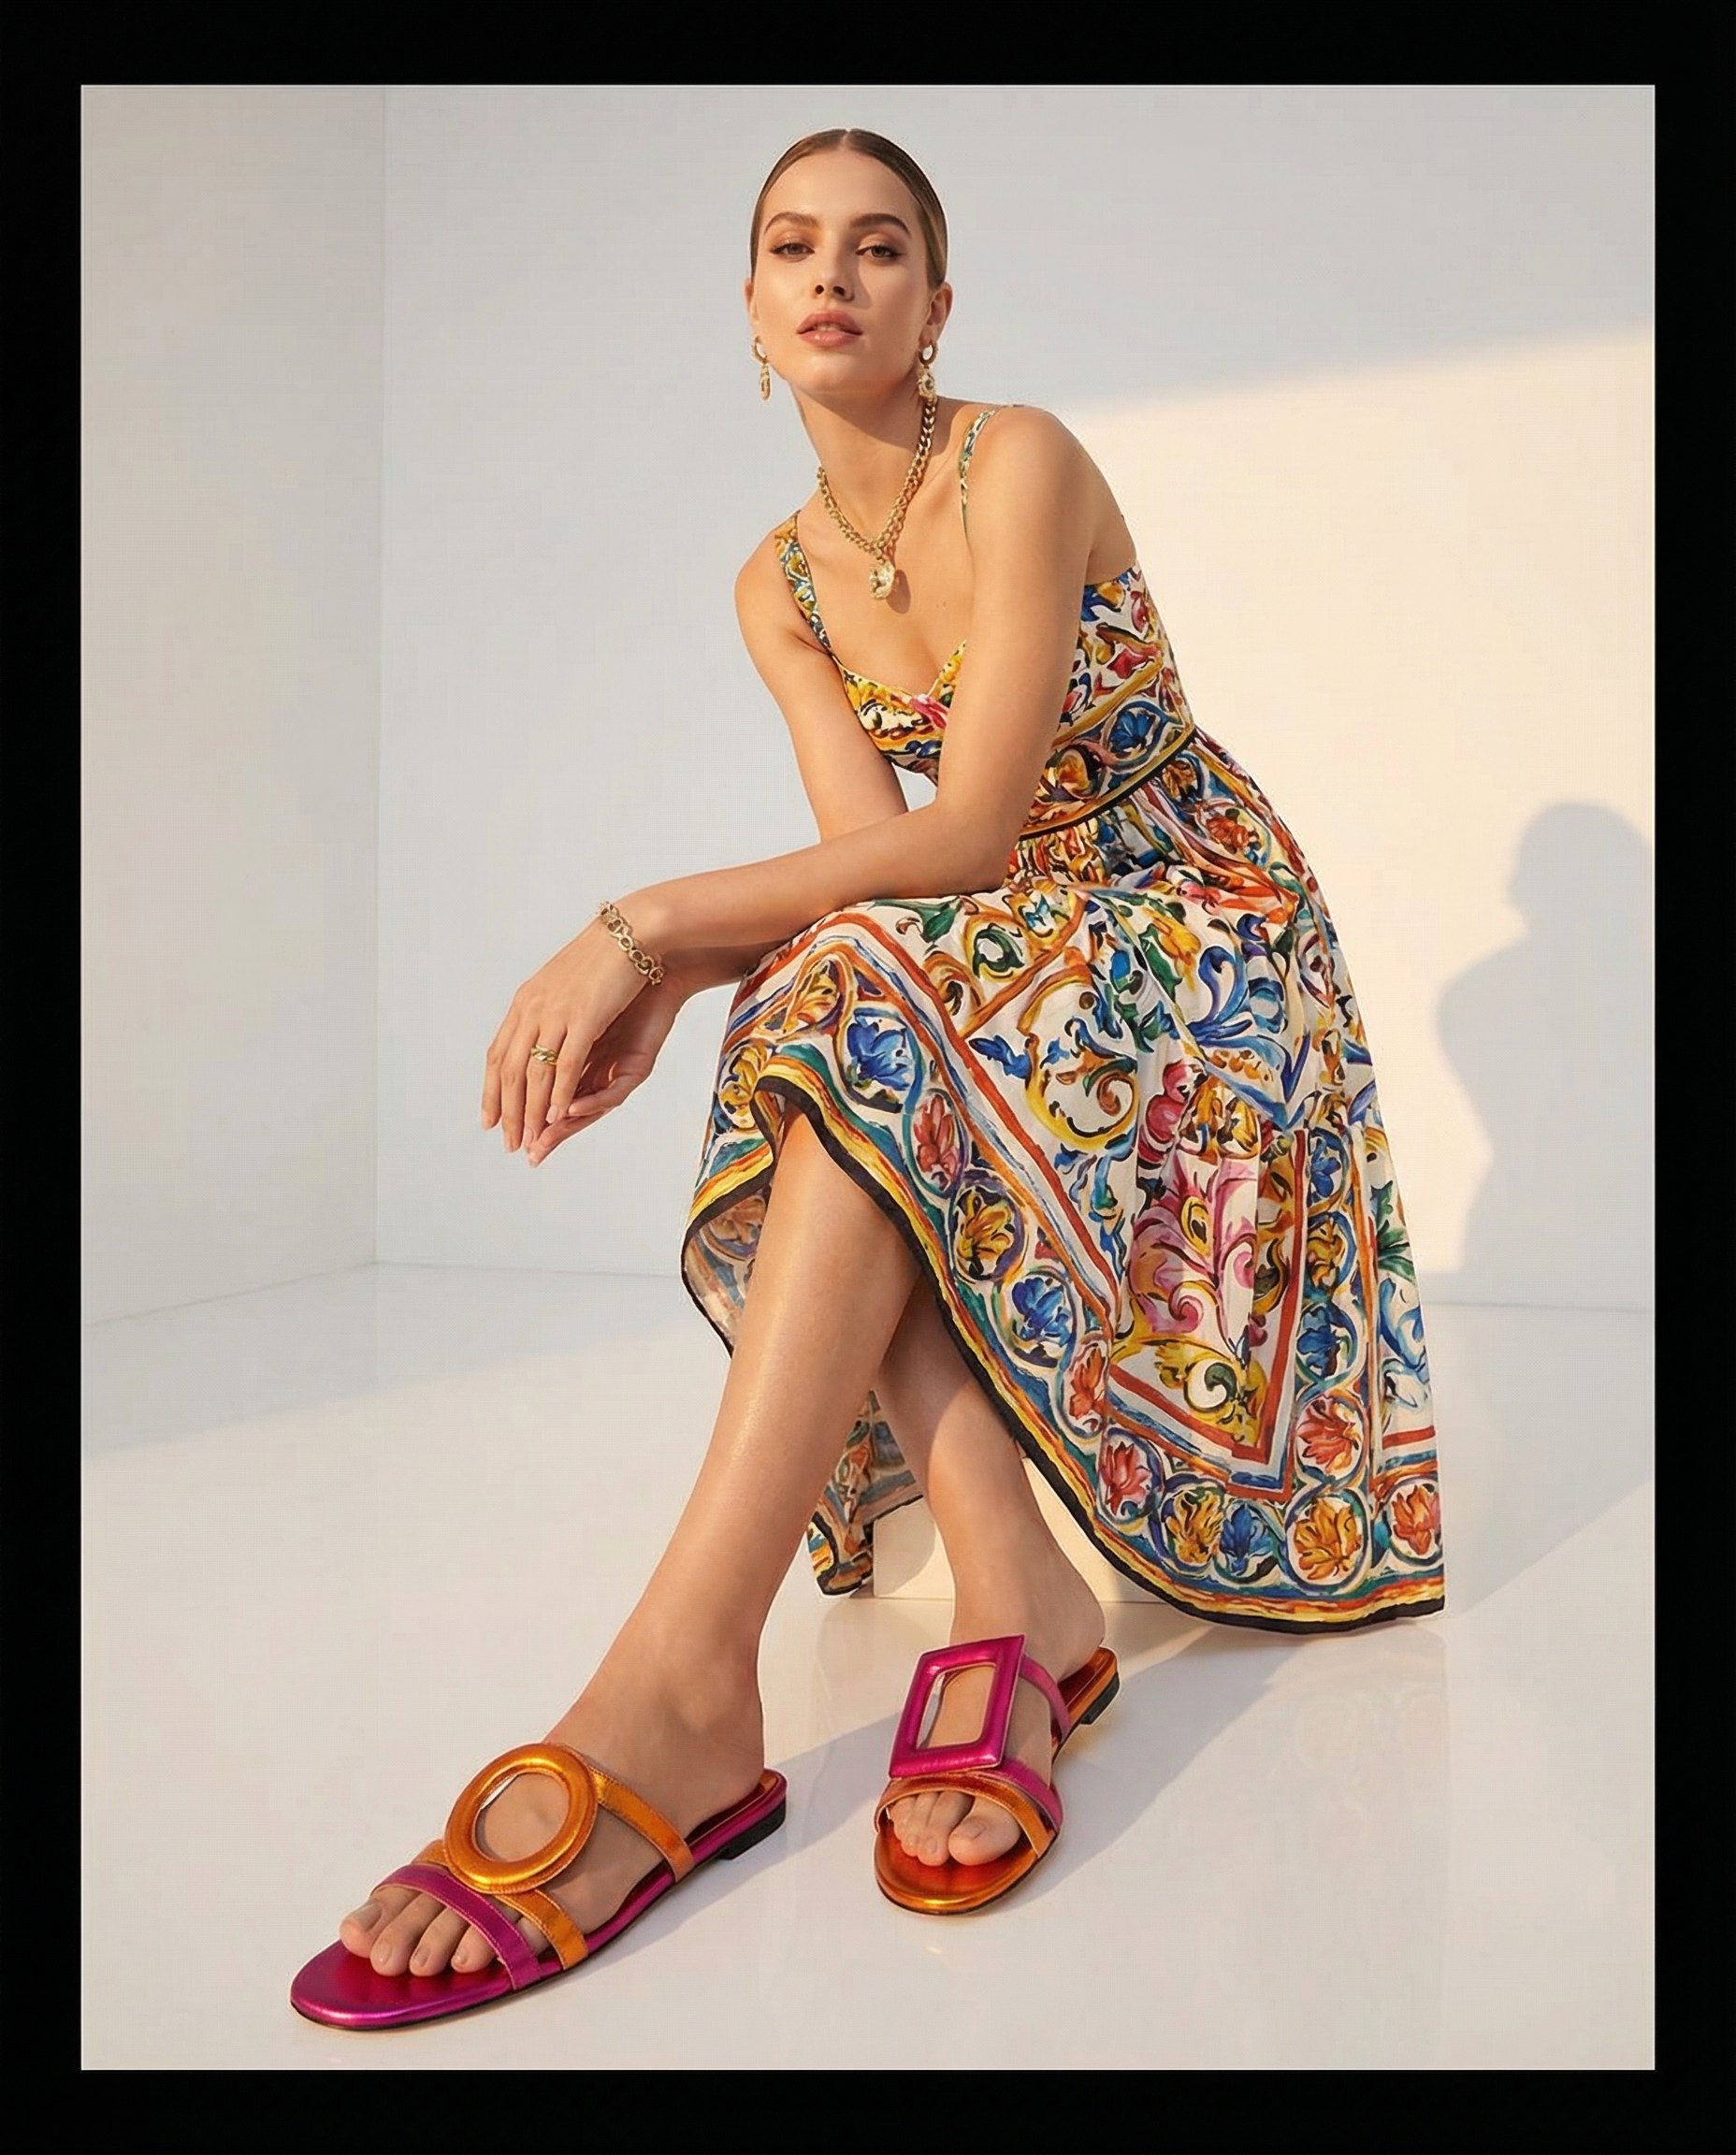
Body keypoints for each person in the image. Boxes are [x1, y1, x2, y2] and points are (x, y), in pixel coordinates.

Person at [292, 127, 1444, 2031]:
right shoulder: (778, 585)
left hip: (1200, 928)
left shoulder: (1026, 464)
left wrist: (648, 923)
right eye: (792, 247)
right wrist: (710, 965)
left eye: (881, 247)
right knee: (832, 999)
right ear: (752, 311)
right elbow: (869, 877)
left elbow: (971, 829)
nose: (834, 274)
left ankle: (681, 1692)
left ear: (934, 303)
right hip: (993, 945)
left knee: (845, 990)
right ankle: (1015, 1601)